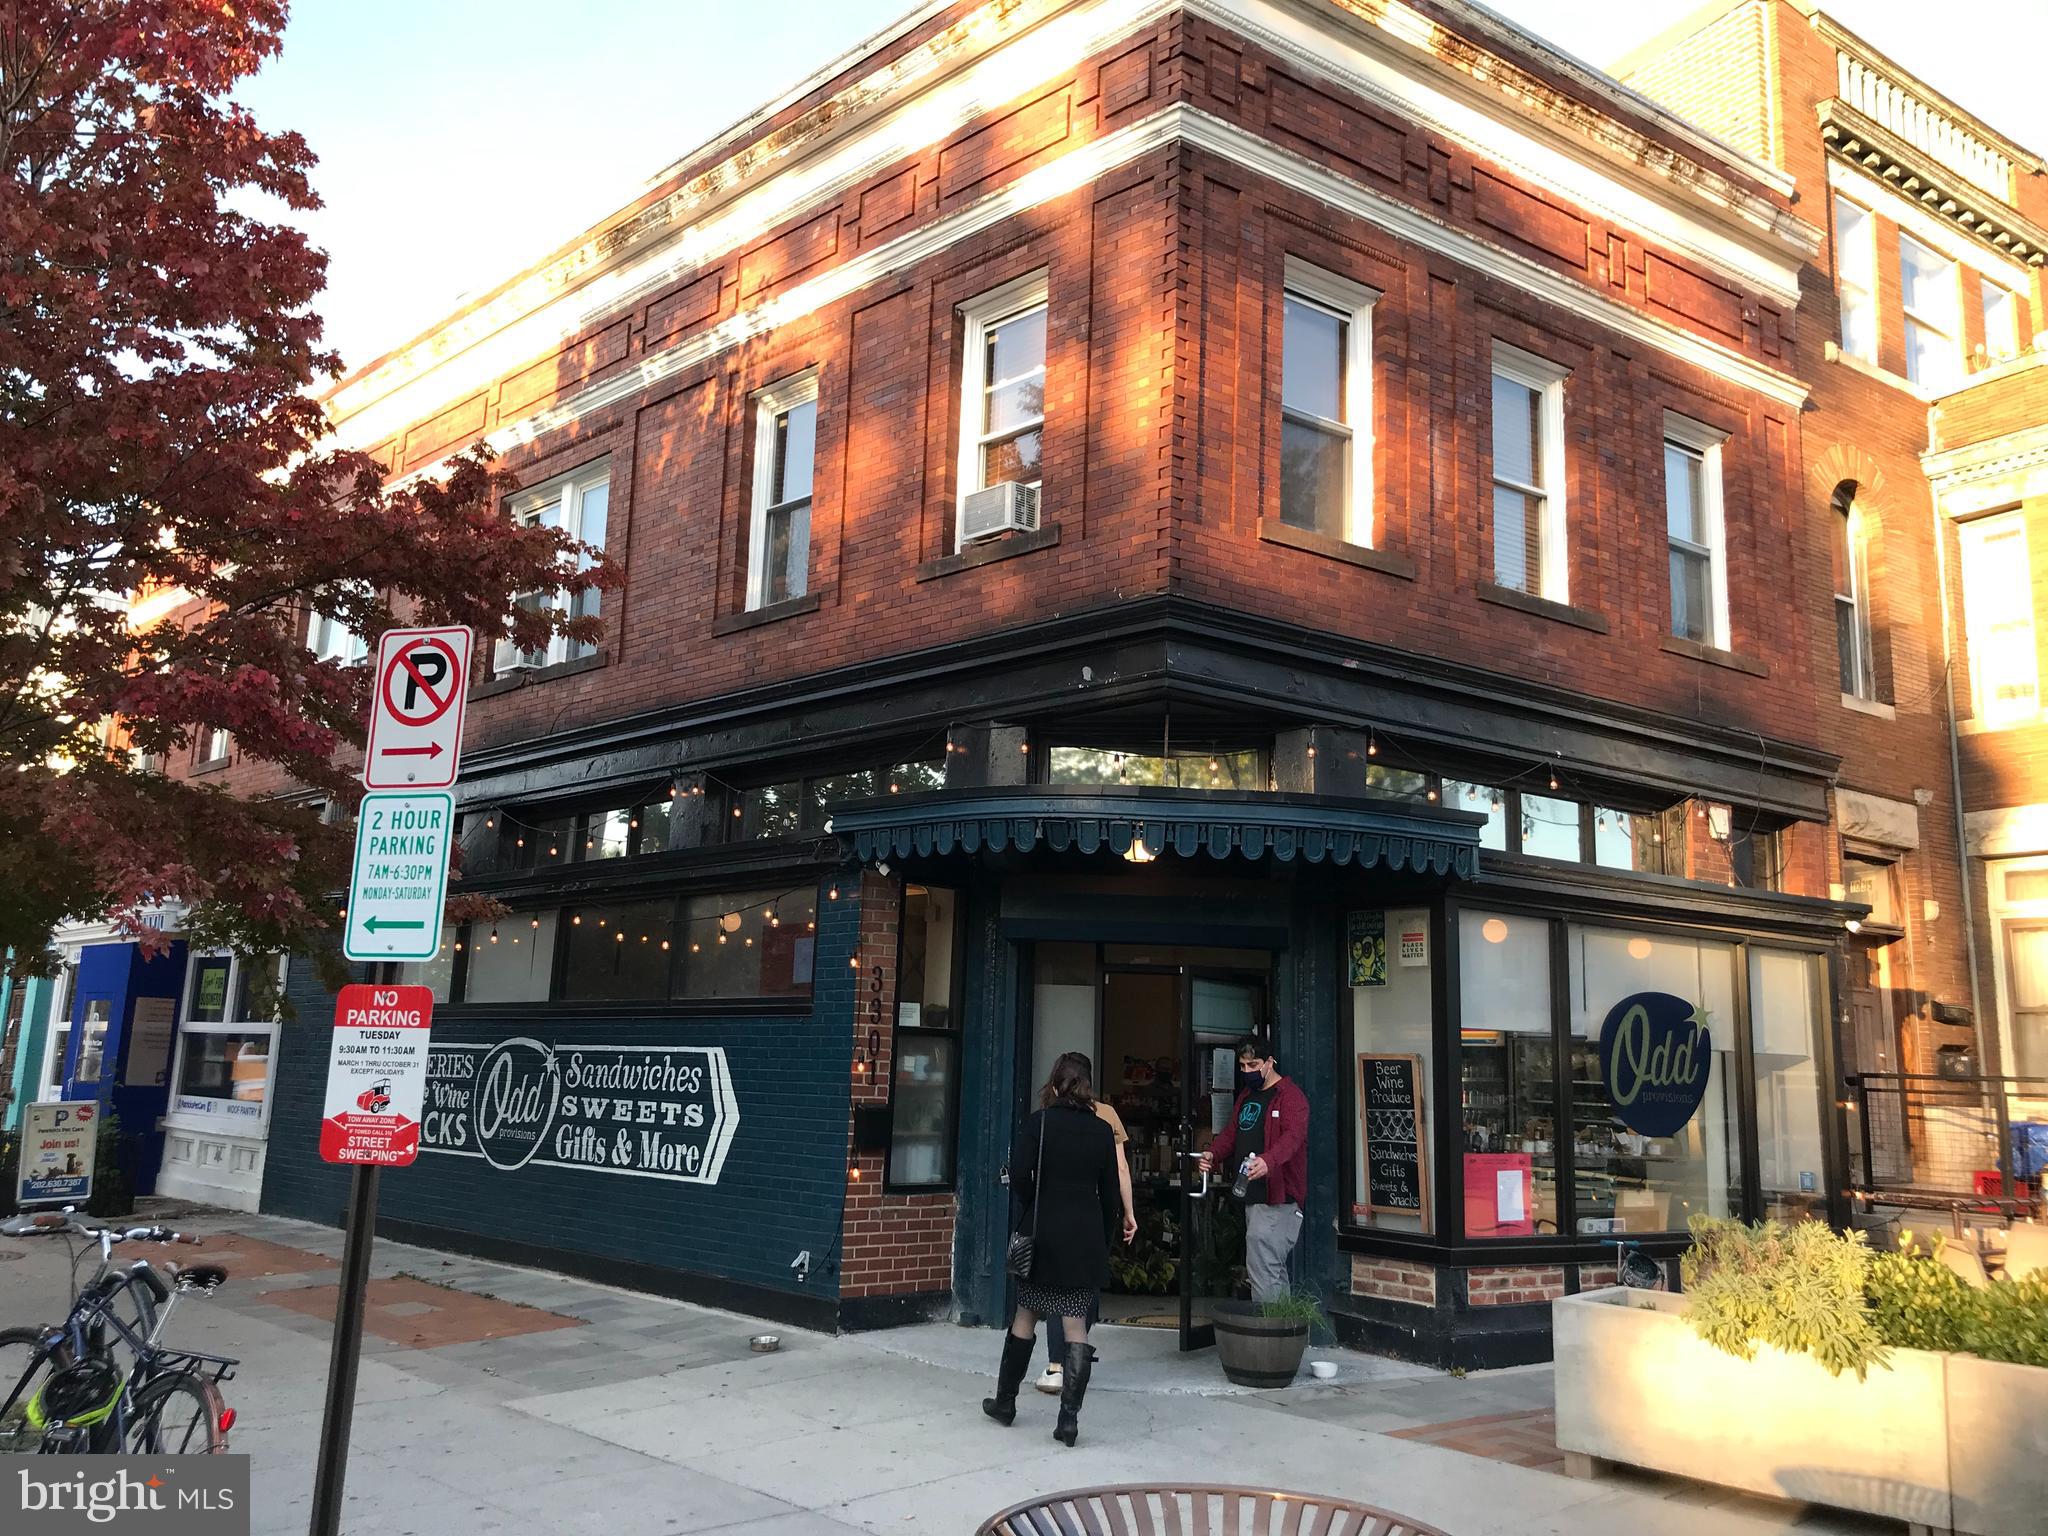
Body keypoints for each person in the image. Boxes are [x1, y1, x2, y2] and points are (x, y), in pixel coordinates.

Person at [982, 1052, 1121, 1446]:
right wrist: (1103, 1239)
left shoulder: (1038, 1124)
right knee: (1075, 1326)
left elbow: (1022, 1177)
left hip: (1042, 1235)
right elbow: (1110, 1194)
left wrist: (1031, 1207)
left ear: (1056, 1084)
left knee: (1025, 1315)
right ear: (1087, 1085)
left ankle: (1006, 1402)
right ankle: (1068, 1421)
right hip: (1084, 1238)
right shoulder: (1100, 1130)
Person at [1034, 1052, 1137, 1395]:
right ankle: (1076, 1355)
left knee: (1054, 1289)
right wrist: (1127, 1212)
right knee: (1085, 1288)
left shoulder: (1048, 1116)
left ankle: (1056, 1365)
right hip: (1093, 1216)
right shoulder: (1106, 1116)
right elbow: (1120, 1170)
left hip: (1053, 1213)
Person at [1198, 1034, 1309, 1303]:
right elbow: (1232, 1133)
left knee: (1263, 1266)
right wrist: (1213, 1153)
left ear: (1270, 1062)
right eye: (1243, 1066)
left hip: (1277, 1197)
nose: (1247, 1071)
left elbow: (1293, 1139)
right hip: (1252, 1194)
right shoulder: (1247, 1095)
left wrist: (1267, 1161)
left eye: (1253, 1064)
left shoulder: (1291, 1097)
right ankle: (1280, 1329)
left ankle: (1269, 1333)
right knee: (1268, 1267)